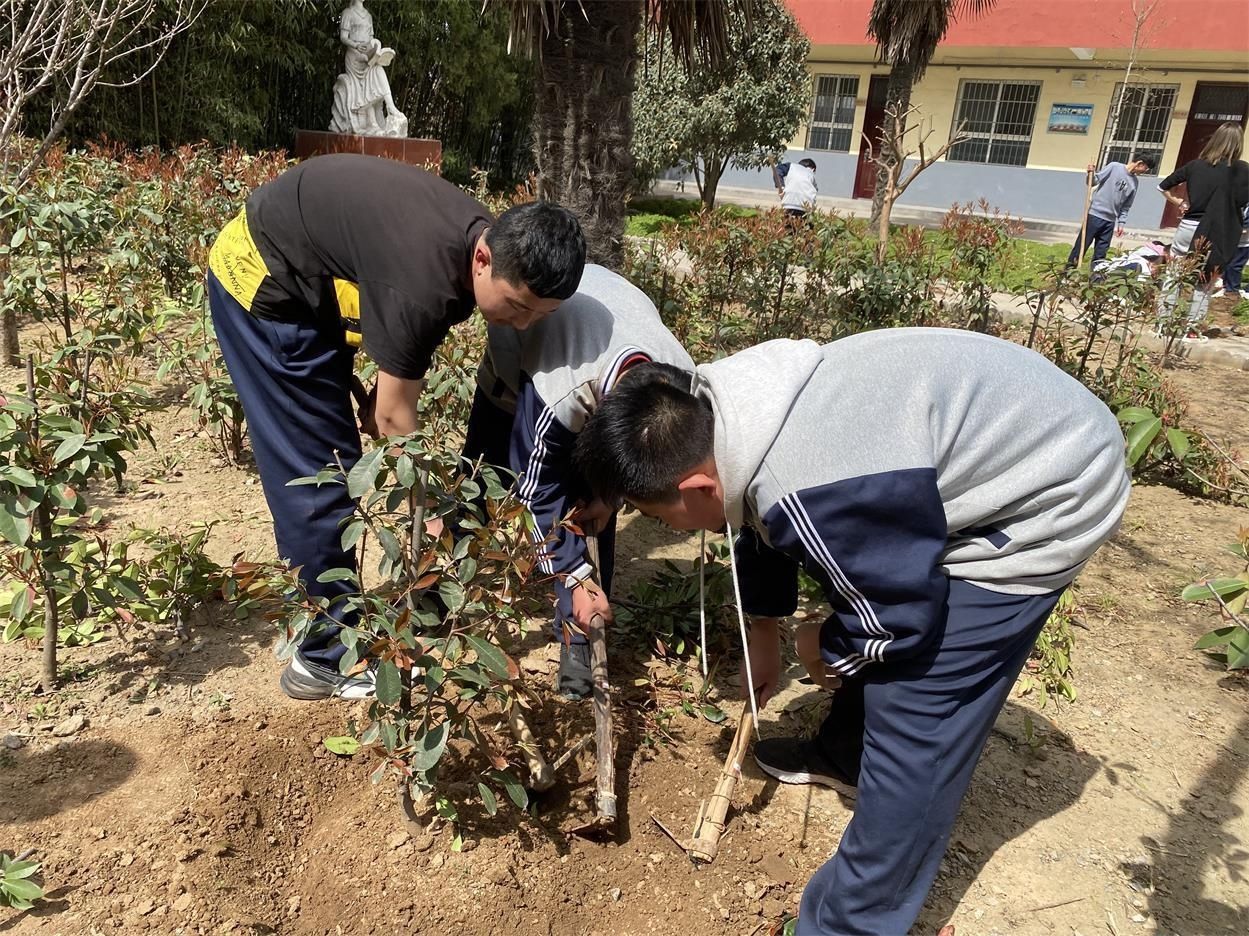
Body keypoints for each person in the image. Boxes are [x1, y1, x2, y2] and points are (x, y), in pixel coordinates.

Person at [573, 329, 1130, 935]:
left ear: (696, 487)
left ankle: (851, 924)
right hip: (993, 444)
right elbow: (757, 508)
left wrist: (825, 647)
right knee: (862, 594)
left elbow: (900, 617)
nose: (670, 529)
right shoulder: (728, 408)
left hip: (1050, 492)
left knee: (915, 709)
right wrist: (765, 629)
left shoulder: (813, 483)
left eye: (660, 517)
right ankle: (843, 754)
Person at [206, 153, 585, 700]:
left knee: (335, 452)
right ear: (483, 259)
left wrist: (384, 402)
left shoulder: (479, 239)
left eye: (538, 316)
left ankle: (321, 621)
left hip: (305, 276)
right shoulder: (426, 284)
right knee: (322, 473)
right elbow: (392, 419)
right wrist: (427, 518)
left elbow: (389, 387)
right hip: (261, 286)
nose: (521, 324)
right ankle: (322, 657)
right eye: (517, 306)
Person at [461, 264, 694, 698]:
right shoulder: (557, 396)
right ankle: (449, 592)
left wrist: (607, 495)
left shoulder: (686, 391)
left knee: (586, 511)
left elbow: (635, 463)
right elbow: (537, 492)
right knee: (482, 474)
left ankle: (578, 637)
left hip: (602, 321)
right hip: (520, 362)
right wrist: (572, 573)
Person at [1157, 123, 1249, 332]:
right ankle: (1192, 328)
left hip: (1189, 226)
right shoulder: (1242, 170)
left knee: (1174, 274)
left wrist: (1179, 202)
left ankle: (1163, 323)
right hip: (1218, 231)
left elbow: (1162, 186)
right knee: (1206, 279)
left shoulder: (1196, 166)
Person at [1067, 155, 1155, 268]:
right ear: (1140, 164)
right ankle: (1067, 275)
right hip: (1095, 216)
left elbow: (1126, 205)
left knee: (1101, 253)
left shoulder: (1134, 182)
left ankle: (1096, 278)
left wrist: (1121, 223)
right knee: (1081, 247)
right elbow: (1093, 181)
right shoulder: (1114, 167)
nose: (1146, 171)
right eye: (1146, 168)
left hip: (1110, 221)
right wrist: (1090, 173)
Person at [774, 157, 818, 223]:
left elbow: (777, 171)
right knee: (804, 230)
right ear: (813, 169)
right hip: (806, 208)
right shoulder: (811, 174)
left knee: (788, 228)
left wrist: (781, 187)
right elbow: (815, 190)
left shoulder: (792, 166)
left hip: (789, 204)